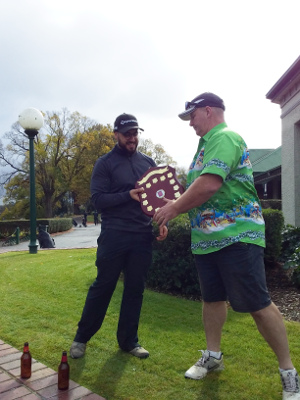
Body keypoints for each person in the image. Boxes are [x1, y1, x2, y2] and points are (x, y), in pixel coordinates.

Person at [153, 92, 299, 399]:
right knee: (212, 299)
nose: (190, 123)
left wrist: (174, 209)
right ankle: (214, 356)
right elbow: (198, 191)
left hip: (237, 237)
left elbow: (209, 184)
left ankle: (289, 374)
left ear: (208, 111)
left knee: (258, 304)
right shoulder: (204, 147)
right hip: (208, 241)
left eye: (191, 116)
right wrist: (173, 206)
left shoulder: (225, 137)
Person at [70, 113, 168, 360]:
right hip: (114, 235)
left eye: (135, 133)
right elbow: (98, 200)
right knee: (103, 286)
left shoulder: (148, 162)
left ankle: (129, 342)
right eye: (127, 134)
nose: (132, 138)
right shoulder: (105, 163)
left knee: (135, 289)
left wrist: (162, 221)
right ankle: (81, 338)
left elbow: (157, 198)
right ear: (116, 135)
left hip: (142, 235)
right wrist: (128, 195)